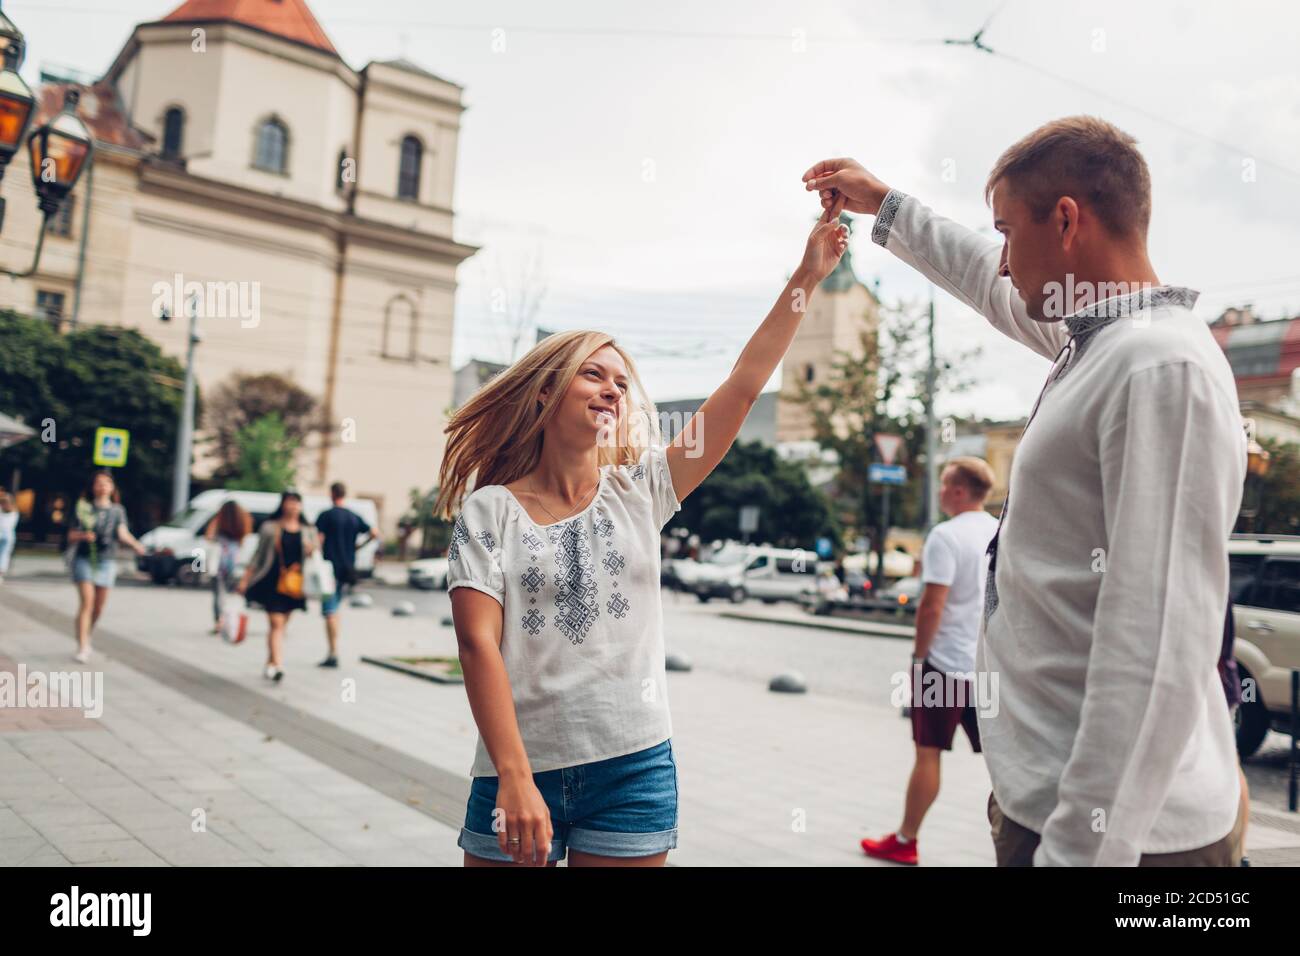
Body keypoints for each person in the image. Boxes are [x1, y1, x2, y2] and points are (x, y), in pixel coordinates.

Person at [805, 116, 1247, 866]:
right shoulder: (1103, 342)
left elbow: (1159, 639)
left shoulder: (1156, 368)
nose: (1005, 260)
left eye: (1010, 231)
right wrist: (885, 206)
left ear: (1067, 220)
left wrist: (1079, 849)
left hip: (1122, 839)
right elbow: (983, 276)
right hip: (1059, 805)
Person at [440, 203, 850, 867]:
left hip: (633, 769)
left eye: (621, 383)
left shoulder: (642, 491)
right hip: (516, 767)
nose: (612, 391)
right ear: (545, 394)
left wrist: (807, 273)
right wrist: (514, 775)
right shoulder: (491, 511)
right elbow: (475, 642)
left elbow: (743, 388)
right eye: (593, 374)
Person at [862, 458, 998, 865]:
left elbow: (931, 607)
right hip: (987, 664)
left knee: (928, 752)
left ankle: (906, 841)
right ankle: (1026, 837)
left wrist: (920, 658)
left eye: (943, 485)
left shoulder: (945, 536)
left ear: (958, 491)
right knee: (1003, 759)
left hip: (944, 663)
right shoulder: (999, 531)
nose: (939, 492)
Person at [236, 491, 320, 682]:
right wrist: (245, 579)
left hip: (296, 584)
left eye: (297, 503)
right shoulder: (270, 528)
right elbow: (258, 556)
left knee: (281, 626)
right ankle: (278, 665)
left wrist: (311, 549)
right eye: (290, 502)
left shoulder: (308, 530)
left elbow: (315, 555)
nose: (293, 506)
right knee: (276, 624)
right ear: (283, 505)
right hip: (271, 581)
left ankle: (270, 662)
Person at [67, 470, 147, 663]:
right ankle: (83, 645)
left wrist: (136, 545)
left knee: (98, 608)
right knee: (87, 602)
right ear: (93, 487)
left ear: (112, 488)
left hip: (106, 561)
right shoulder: (84, 508)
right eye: (98, 483)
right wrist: (83, 536)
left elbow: (122, 533)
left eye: (106, 483)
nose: (102, 486)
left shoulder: (117, 511)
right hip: (84, 559)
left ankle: (86, 633)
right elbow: (70, 535)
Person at [314, 481, 379, 667]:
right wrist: (357, 547)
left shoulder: (326, 516)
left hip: (329, 569)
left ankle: (333, 653)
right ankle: (333, 649)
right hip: (348, 569)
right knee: (335, 609)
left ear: (332, 494)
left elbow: (318, 540)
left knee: (329, 612)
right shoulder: (353, 517)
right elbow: (375, 533)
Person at [204, 500, 253, 635]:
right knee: (231, 594)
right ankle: (231, 621)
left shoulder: (219, 523)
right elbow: (243, 542)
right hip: (233, 561)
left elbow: (208, 536)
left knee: (218, 594)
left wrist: (216, 519)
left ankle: (219, 621)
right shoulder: (241, 523)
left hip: (218, 562)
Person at [0, 490, 18, 583]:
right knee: (4, 555)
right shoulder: (15, 512)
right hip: (9, 535)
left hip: (3, 534)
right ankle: (1, 574)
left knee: (4, 554)